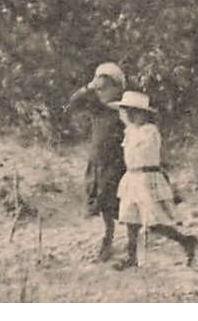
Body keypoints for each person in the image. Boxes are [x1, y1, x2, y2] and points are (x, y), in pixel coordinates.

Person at [108, 90, 198, 269]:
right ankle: (131, 257)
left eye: (136, 112)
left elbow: (143, 152)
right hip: (132, 177)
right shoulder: (130, 131)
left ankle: (185, 241)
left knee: (153, 221)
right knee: (130, 220)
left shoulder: (150, 131)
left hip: (147, 178)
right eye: (128, 112)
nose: (132, 116)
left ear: (145, 114)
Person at [65, 61, 128, 261]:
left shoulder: (124, 109)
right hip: (99, 162)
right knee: (104, 205)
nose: (102, 92)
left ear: (117, 88)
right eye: (100, 88)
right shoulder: (98, 108)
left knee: (117, 203)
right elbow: (73, 103)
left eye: (107, 87)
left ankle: (126, 243)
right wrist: (89, 87)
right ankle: (108, 242)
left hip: (116, 163)